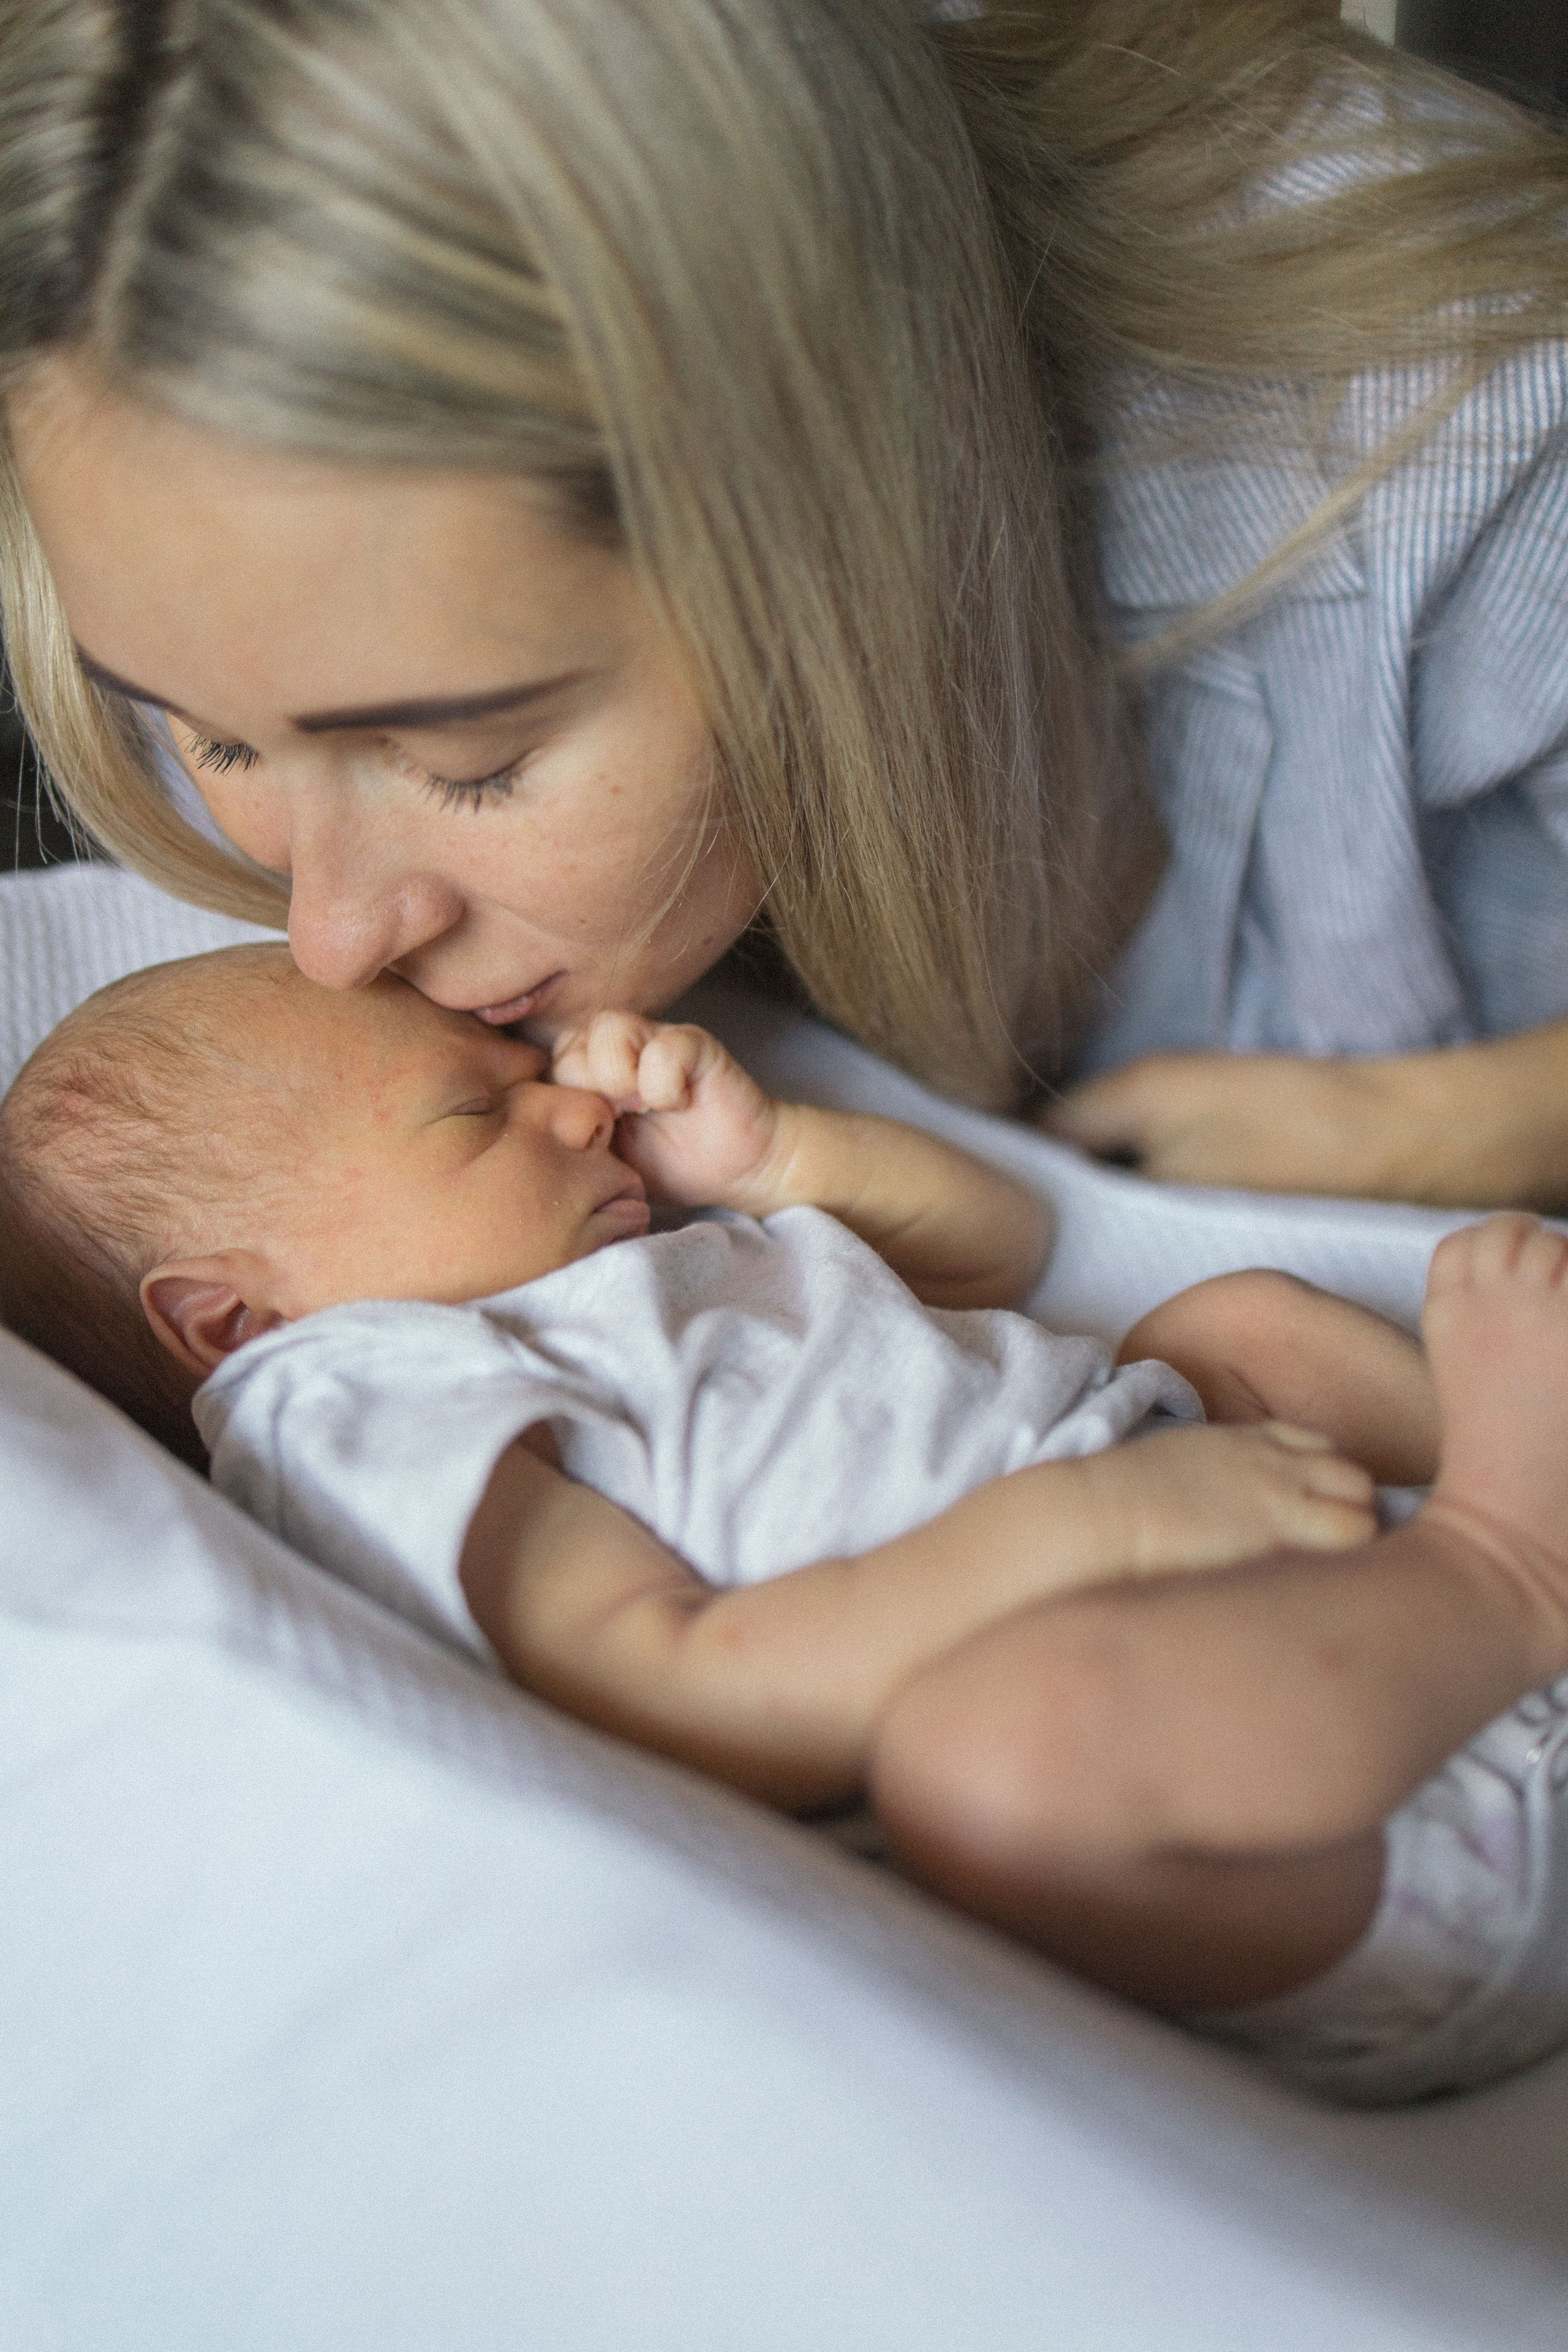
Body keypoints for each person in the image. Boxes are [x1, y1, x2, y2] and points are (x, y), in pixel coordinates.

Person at [1, 2, 1567, 1204]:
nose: (330, 938)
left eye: (467, 759)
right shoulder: (180, 517)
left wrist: (1440, 1131)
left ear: (815, 521)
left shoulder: (1464, 429)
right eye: (211, 738)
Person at [4, 940, 1568, 2105]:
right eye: (469, 1114)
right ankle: (1511, 1557)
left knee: (1230, 1326)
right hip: (1303, 1835)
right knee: (999, 1765)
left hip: (1270, 1598)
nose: (566, 1106)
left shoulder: (607, 1276)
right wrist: (1080, 1527)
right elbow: (680, 1684)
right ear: (230, 1322)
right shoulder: (356, 1407)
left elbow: (993, 1257)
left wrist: (778, 1163)